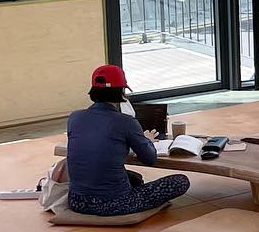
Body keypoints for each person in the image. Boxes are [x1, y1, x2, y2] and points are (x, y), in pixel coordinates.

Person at [64, 64, 190, 218]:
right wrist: (147, 140)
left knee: (133, 177)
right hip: (112, 203)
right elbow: (149, 159)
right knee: (181, 181)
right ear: (121, 92)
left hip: (76, 201)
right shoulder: (126, 121)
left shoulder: (74, 117)